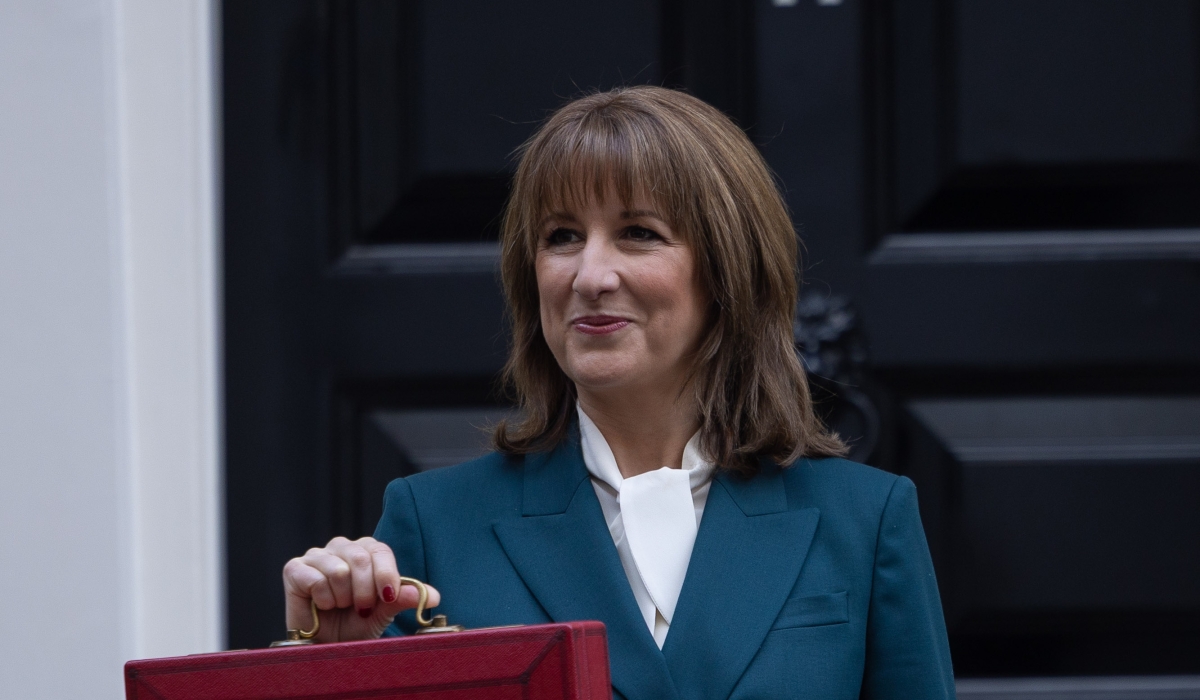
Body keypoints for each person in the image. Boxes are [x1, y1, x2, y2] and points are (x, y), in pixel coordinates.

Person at [282, 85, 954, 699]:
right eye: (562, 237)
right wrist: (332, 667)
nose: (590, 275)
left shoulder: (865, 520)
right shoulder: (436, 524)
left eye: (639, 234)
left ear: (727, 270)